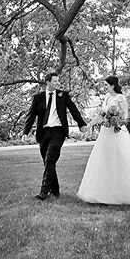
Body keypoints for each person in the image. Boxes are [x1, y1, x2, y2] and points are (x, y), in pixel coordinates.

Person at [21, 71, 87, 200]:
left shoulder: (63, 95)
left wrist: (81, 124)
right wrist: (25, 132)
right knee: (48, 162)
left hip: (58, 132)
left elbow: (74, 110)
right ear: (48, 82)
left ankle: (43, 192)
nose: (58, 83)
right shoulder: (38, 97)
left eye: (58, 81)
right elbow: (31, 116)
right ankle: (55, 191)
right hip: (43, 133)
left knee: (50, 159)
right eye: (55, 81)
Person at [77, 75, 130, 205]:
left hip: (117, 132)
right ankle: (101, 193)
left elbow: (126, 115)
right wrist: (88, 126)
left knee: (119, 159)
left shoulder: (120, 97)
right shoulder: (106, 97)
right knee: (103, 160)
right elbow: (101, 114)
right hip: (105, 133)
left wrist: (117, 121)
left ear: (112, 85)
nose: (104, 87)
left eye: (106, 85)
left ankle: (121, 193)